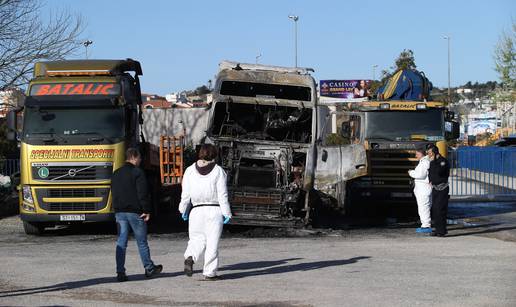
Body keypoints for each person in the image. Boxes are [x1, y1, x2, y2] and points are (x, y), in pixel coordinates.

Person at [179, 144, 232, 281]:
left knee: (196, 239)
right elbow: (222, 194)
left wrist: (183, 209)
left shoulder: (189, 170)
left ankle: (190, 257)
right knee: (212, 242)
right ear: (214, 154)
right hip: (214, 210)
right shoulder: (218, 171)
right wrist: (227, 213)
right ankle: (209, 272)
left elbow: (185, 194)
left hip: (196, 210)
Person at [111, 148, 162, 282]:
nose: (140, 161)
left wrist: (116, 209)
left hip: (120, 213)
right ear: (133, 157)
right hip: (135, 213)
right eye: (139, 158)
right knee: (142, 242)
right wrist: (147, 210)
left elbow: (114, 193)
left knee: (121, 243)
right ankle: (149, 268)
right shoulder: (137, 172)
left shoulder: (116, 173)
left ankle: (120, 272)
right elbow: (142, 193)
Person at [426, 144, 450, 237]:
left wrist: (434, 162)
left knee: (441, 210)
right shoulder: (432, 162)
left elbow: (441, 172)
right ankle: (437, 229)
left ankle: (442, 230)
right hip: (435, 188)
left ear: (435, 152)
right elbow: (430, 173)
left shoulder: (442, 161)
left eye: (430, 153)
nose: (429, 155)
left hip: (442, 188)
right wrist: (430, 180)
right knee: (435, 210)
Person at [408, 147, 432, 234]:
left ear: (421, 154)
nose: (416, 156)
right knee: (425, 207)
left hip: (423, 190)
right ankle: (425, 224)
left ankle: (426, 226)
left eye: (417, 154)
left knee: (423, 208)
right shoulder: (424, 162)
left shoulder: (424, 162)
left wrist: (411, 172)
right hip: (423, 189)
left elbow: (421, 175)